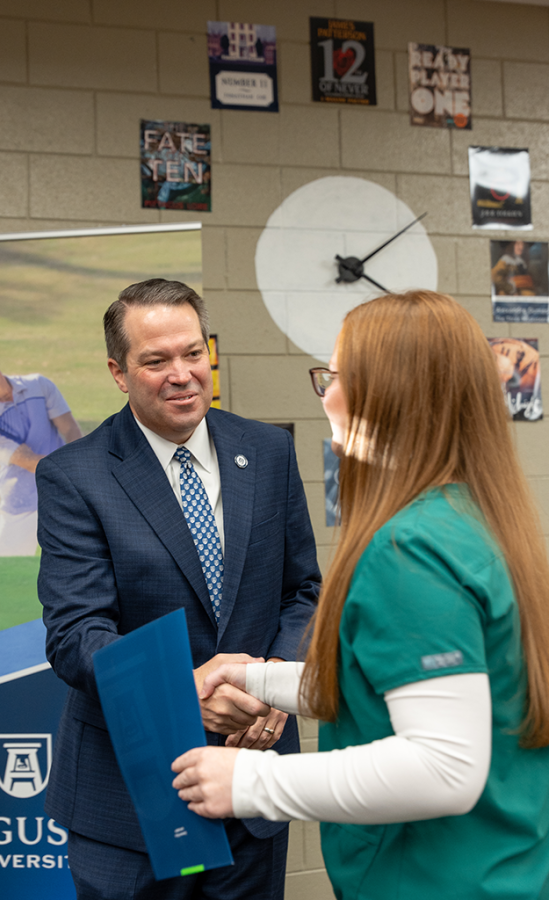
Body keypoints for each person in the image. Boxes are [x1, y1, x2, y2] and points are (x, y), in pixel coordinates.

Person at [172, 290, 549, 900]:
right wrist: (260, 679)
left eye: (338, 376)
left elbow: (444, 765)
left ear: (392, 391)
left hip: (434, 879)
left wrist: (253, 782)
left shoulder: (410, 550)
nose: (326, 394)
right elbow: (394, 688)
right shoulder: (470, 519)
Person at [36, 279, 320, 900]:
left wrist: (273, 684)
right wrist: (181, 693)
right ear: (118, 372)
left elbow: (303, 590)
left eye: (193, 353)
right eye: (156, 360)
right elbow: (76, 634)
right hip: (131, 800)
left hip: (252, 777)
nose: (182, 374)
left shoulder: (267, 450)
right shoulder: (74, 476)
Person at [0, 336, 82, 556]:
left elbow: (70, 429)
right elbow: (28, 461)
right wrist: (69, 472)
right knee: (5, 576)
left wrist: (80, 471)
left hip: (62, 496)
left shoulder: (39, 385)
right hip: (21, 502)